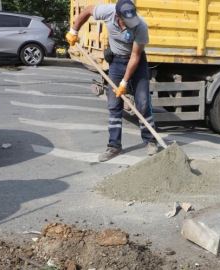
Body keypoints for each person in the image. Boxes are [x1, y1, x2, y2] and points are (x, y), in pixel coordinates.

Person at [66, 0, 158, 162]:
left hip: (136, 62)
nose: (129, 24)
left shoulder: (140, 26)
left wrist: (124, 83)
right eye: (125, 21)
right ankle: (114, 146)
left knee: (142, 103)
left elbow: (135, 56)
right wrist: (74, 30)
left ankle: (150, 140)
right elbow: (87, 10)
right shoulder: (107, 11)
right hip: (116, 61)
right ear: (117, 16)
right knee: (114, 105)